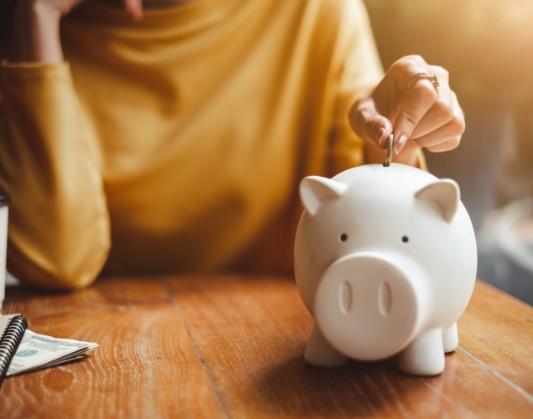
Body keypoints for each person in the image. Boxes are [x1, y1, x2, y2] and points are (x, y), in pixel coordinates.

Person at [0, 0, 465, 289]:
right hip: (110, 353)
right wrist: (35, 15)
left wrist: (399, 139)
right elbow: (55, 260)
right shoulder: (41, 41)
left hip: (281, 342)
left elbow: (377, 213)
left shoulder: (312, 10)